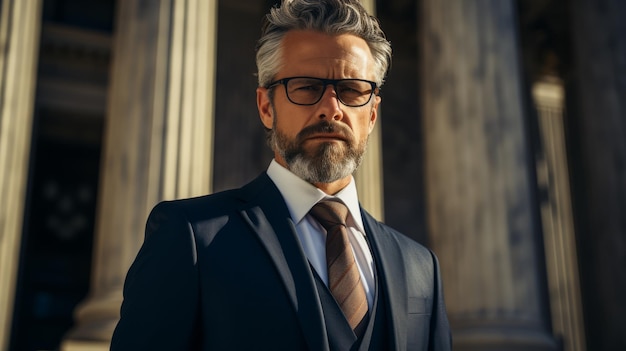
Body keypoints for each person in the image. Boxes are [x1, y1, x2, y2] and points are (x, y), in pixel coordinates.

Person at [110, 0, 451, 350]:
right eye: (306, 87)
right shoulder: (191, 237)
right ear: (266, 107)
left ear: (373, 113)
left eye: (351, 90)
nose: (332, 109)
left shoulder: (421, 267)